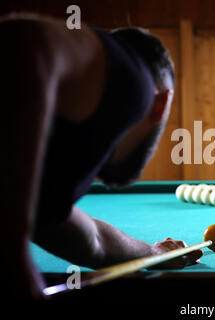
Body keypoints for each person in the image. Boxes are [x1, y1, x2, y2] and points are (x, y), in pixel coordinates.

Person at [0, 13, 202, 299]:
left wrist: (153, 252)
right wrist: (14, 254)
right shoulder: (138, 81)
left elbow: (94, 242)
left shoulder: (43, 180)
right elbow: (26, 40)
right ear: (162, 103)